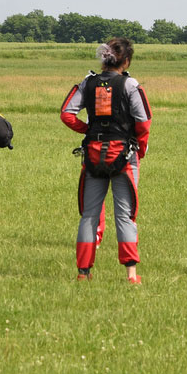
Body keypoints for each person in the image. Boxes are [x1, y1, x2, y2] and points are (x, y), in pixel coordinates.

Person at [61, 38, 152, 283]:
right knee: (125, 215)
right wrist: (140, 149)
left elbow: (67, 114)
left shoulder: (87, 82)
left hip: (92, 155)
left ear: (104, 59)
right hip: (124, 157)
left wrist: (88, 130)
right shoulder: (130, 84)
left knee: (89, 215)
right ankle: (131, 275)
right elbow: (143, 122)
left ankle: (83, 273)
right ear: (126, 61)